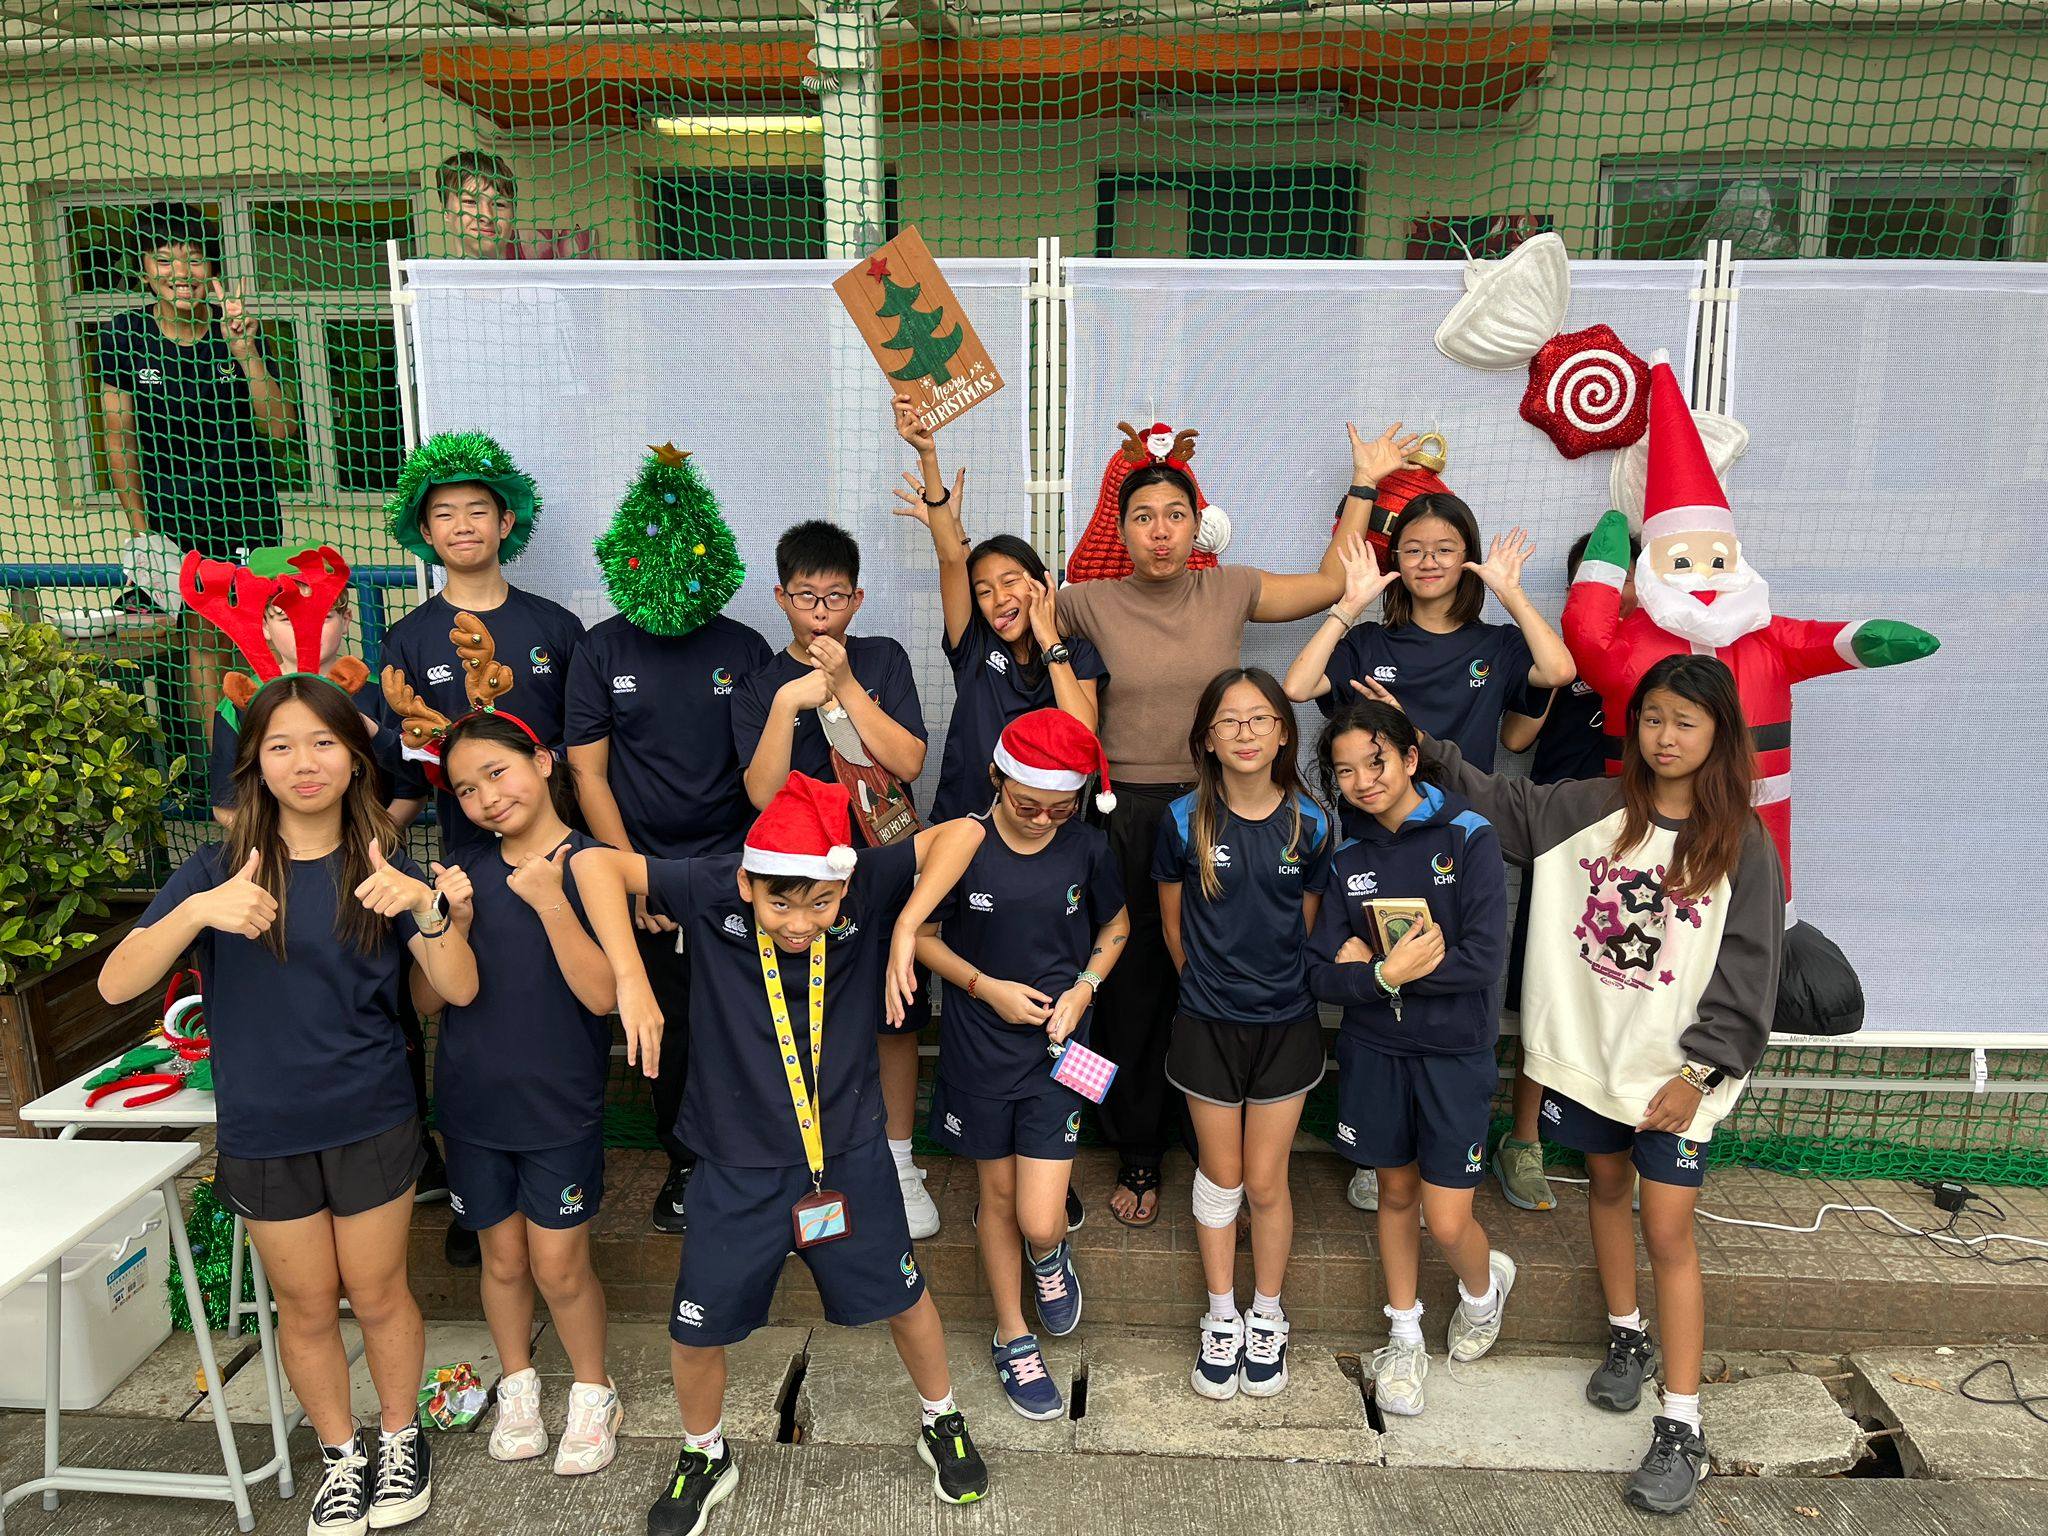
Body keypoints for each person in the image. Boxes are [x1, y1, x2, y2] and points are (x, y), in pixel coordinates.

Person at [1361, 655, 1784, 1516]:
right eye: (1654, 718)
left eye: (1686, 723)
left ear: (1719, 736)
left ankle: (1681, 1424)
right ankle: (1625, 1339)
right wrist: (1415, 738)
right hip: (1589, 1058)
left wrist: (1699, 1074)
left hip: (1675, 1079)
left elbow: (1751, 971)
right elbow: (1487, 793)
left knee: (1668, 1228)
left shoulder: (1742, 839)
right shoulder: (1585, 807)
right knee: (1601, 1184)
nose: (1665, 737)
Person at [97, 678, 477, 1536]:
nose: (303, 763)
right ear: (255, 766)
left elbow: (450, 991)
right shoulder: (215, 872)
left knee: (379, 1292)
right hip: (265, 1128)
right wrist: (198, 910)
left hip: (372, 1115)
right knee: (304, 1306)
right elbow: (118, 981)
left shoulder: (386, 867)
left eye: (322, 744)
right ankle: (341, 1457)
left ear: (353, 760)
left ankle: (399, 1436)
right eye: (280, 746)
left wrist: (427, 908)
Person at [572, 775, 993, 1535]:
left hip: (850, 1154)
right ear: (746, 880)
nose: (800, 923)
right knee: (694, 1329)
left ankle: (942, 1418)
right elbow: (593, 865)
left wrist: (906, 928)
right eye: (778, 903)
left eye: (820, 903)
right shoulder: (712, 887)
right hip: (734, 1162)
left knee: (905, 1298)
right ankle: (705, 1452)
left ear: (844, 884)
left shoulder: (865, 883)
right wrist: (632, 977)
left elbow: (965, 830)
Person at [1055, 421, 1406, 1228]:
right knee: (1123, 988)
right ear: (1120, 527)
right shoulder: (1084, 602)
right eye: (1142, 516)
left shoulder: (1231, 587)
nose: (1160, 531)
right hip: (1122, 816)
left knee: (1213, 980)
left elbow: (1326, 583)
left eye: (1175, 514)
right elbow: (996, 607)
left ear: (1196, 520)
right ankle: (1131, 1150)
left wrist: (1363, 485)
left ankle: (1215, 1151)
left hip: (1225, 805)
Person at [1282, 494, 1571, 1215]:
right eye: (1412, 549)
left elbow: (1555, 674)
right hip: (1375, 843)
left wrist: (1509, 592)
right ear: (1394, 562)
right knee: (1374, 973)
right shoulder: (1370, 646)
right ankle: (1380, 1151)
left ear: (1466, 556)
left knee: (1455, 978)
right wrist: (1348, 607)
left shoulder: (1497, 645)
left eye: (1446, 547)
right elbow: (1295, 686)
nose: (1429, 561)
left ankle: (1452, 1144)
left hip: (1468, 842)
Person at [884, 710, 1129, 1421]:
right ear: (995, 776)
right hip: (979, 1048)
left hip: (1062, 1052)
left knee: (1040, 1217)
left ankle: (1049, 1258)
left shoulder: (1086, 848)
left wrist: (1084, 989)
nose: (1044, 820)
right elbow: (924, 936)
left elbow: (1116, 927)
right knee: (997, 1200)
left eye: (1060, 808)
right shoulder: (965, 844)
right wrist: (984, 987)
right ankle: (1011, 1332)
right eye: (1028, 805)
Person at [381, 432, 584, 1255]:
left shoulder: (557, 626)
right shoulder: (406, 641)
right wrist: (368, 851)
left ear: (507, 521)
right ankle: (473, 1191)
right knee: (456, 1006)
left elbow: (584, 754)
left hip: (555, 865)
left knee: (557, 1012)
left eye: (477, 510)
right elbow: (401, 777)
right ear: (423, 533)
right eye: (443, 515)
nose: (462, 525)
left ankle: (560, 1183)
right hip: (461, 868)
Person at [409, 707, 624, 1476]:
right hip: (471, 1103)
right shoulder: (462, 868)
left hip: (558, 1106)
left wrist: (549, 900)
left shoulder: (589, 862)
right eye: (464, 790)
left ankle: (594, 1392)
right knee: (501, 1262)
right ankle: (521, 1386)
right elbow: (430, 1000)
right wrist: (449, 922)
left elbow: (604, 996)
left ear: (541, 761)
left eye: (496, 773)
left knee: (560, 1265)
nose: (485, 798)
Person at [1307, 702, 1516, 1419]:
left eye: (1376, 761)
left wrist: (1388, 968)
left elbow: (1485, 960)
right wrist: (1377, 980)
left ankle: (1483, 1292)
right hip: (1375, 1050)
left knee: (1448, 1219)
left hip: (1456, 1053)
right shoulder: (1345, 857)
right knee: (1394, 1195)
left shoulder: (1469, 835)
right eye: (1345, 771)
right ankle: (1404, 1336)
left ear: (1408, 758)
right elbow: (1320, 972)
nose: (1363, 781)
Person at [729, 520, 936, 1238]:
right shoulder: (759, 684)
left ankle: (900, 1158)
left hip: (879, 860)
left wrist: (844, 682)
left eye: (836, 596)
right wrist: (792, 700)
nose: (821, 610)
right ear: (781, 595)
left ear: (858, 598)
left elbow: (908, 762)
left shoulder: (883, 657)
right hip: (795, 879)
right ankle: (811, 1165)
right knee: (803, 1015)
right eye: (806, 595)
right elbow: (760, 794)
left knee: (893, 1006)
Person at [566, 557, 773, 1237]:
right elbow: (587, 773)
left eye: (691, 566)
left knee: (747, 1016)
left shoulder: (743, 648)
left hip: (735, 870)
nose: (672, 580)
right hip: (644, 872)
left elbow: (763, 767)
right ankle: (684, 1163)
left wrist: (757, 871)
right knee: (669, 1025)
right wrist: (630, 874)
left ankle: (758, 1157)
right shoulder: (601, 649)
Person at [1153, 668, 1334, 1402]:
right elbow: (1171, 923)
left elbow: (1310, 926)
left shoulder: (1312, 823)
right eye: (1230, 721)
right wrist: (1209, 988)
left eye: (1260, 719)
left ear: (1285, 731)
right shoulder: (1181, 820)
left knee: (1265, 1180)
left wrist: (1271, 990)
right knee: (1221, 1178)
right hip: (1207, 1022)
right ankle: (1220, 1316)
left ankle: (1268, 1315)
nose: (1246, 733)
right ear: (1206, 737)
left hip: (1286, 1025)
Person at [98, 205, 296, 748]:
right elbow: (118, 437)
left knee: (255, 641)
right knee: (203, 643)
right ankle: (225, 777)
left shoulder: (237, 332)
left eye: (192, 259)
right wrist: (142, 531)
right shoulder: (125, 335)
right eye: (163, 259)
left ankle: (267, 760)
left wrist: (244, 349)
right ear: (142, 270)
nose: (179, 272)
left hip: (247, 514)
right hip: (172, 521)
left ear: (211, 269)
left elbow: (280, 430)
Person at [1491, 527, 1639, 1214]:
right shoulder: (1560, 655)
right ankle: (1523, 1140)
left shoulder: (1669, 663)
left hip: (1641, 855)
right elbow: (1517, 738)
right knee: (1546, 995)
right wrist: (1560, 674)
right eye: (1598, 579)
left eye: (1628, 575)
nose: (1617, 589)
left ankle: (1624, 1139)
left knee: (1630, 993)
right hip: (1564, 850)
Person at [886, 395, 1104, 822]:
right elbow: (952, 559)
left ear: (1041, 583)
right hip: (964, 824)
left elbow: (1082, 733)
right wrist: (928, 456)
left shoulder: (1077, 655)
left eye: (1009, 582)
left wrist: (1047, 638)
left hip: (1044, 827)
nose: (998, 598)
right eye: (983, 591)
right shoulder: (974, 645)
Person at [437, 151, 517, 260]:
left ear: (513, 214)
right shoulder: (422, 276)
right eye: (470, 202)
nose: (487, 216)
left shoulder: (537, 276)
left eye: (499, 204)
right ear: (445, 211)